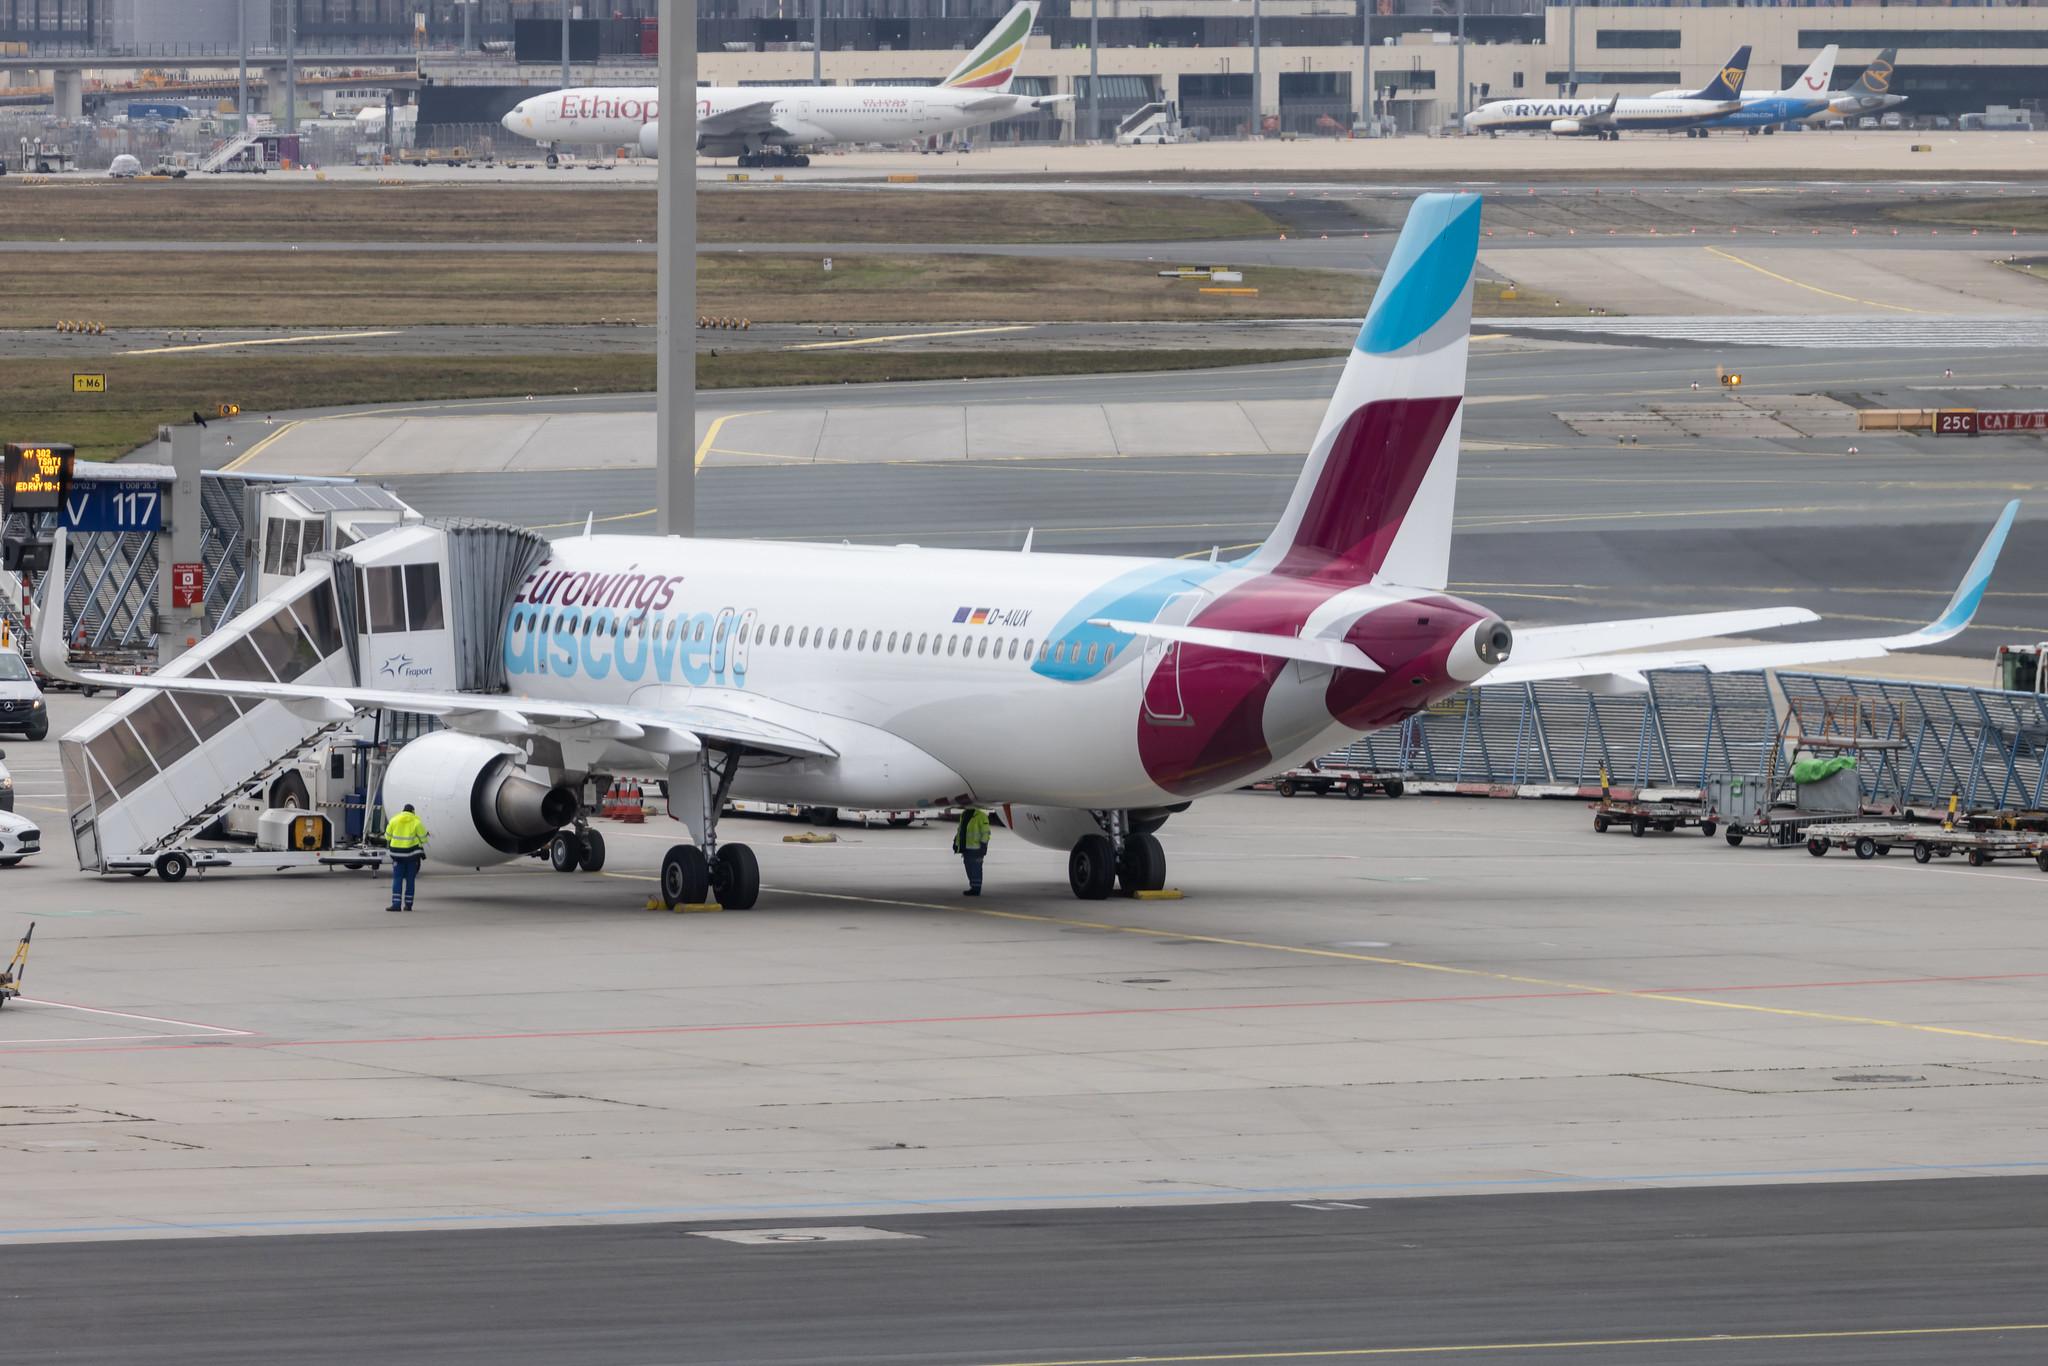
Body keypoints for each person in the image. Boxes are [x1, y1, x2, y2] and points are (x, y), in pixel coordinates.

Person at [385, 803, 428, 912]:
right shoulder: (417, 822)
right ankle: (408, 905)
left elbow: (387, 836)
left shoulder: (394, 820)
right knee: (410, 880)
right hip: (411, 857)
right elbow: (423, 839)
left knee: (397, 879)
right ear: (413, 811)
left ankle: (396, 904)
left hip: (397, 856)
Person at [952, 805, 991, 896]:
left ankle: (976, 888)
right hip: (966, 847)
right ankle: (973, 886)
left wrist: (983, 845)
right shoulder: (964, 814)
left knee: (976, 868)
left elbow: (985, 832)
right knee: (969, 867)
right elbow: (961, 831)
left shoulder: (981, 816)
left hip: (976, 848)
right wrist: (956, 843)